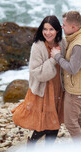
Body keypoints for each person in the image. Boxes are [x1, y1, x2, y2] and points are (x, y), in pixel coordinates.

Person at [12, 15, 66, 146]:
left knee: (55, 122)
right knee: (46, 123)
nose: (47, 33)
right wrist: (54, 58)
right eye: (45, 29)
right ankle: (32, 142)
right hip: (43, 89)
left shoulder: (63, 43)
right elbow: (36, 72)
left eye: (51, 29)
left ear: (58, 30)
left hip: (58, 87)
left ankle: (46, 148)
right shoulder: (37, 46)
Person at [51, 11, 81, 140]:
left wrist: (57, 56)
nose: (62, 27)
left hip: (76, 89)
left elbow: (72, 69)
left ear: (73, 27)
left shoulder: (78, 46)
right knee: (80, 117)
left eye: (64, 25)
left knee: (71, 123)